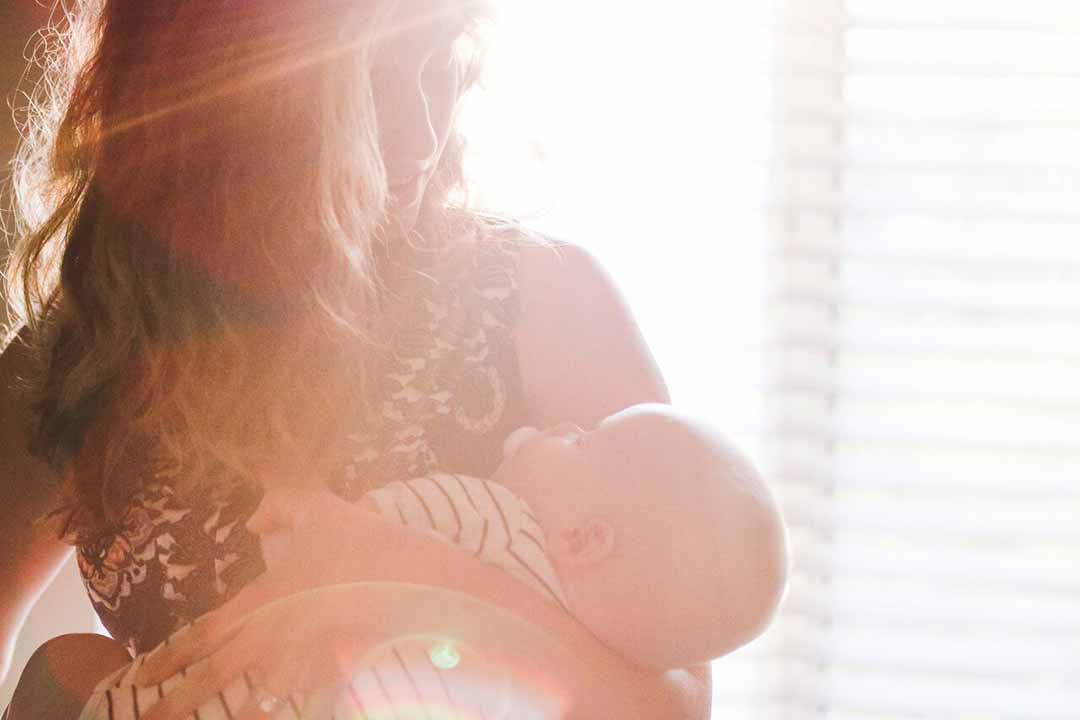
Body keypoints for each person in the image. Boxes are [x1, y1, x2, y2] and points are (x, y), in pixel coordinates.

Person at [1, 0, 785, 717]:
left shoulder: (540, 296)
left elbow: (673, 709)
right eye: (369, 81)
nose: (423, 134)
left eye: (440, 63)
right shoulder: (89, 351)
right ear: (221, 95)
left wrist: (405, 580)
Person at [68, 404, 787, 718]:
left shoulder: (489, 516)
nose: (562, 427)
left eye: (582, 440)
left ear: (585, 540)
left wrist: (291, 493)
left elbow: (318, 549)